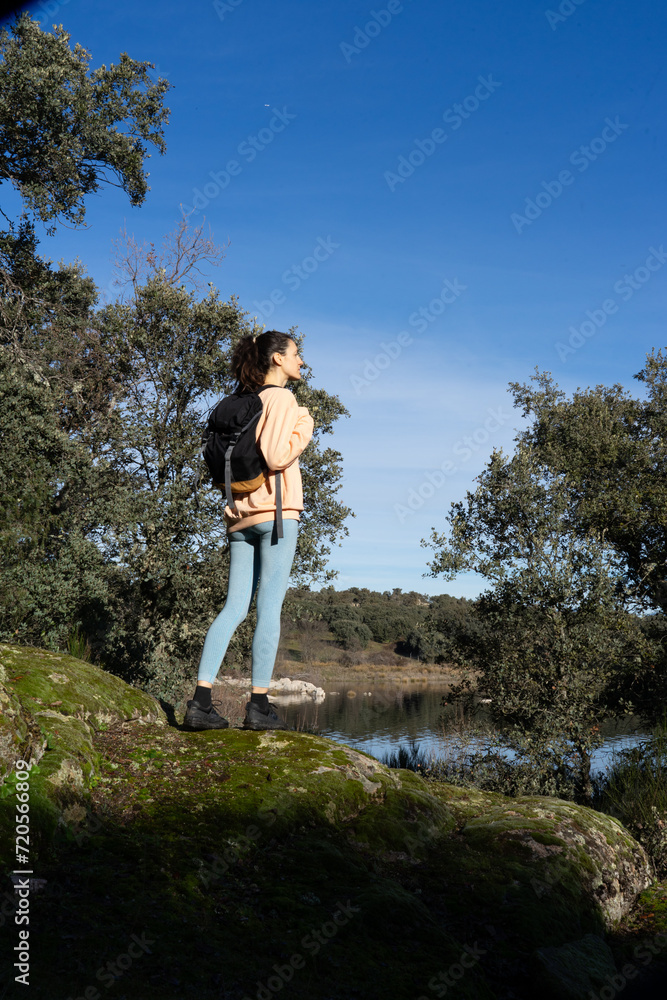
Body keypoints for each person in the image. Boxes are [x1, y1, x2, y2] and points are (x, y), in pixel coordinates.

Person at [183, 330, 314, 732]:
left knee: (233, 608)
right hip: (275, 515)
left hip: (238, 516)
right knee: (268, 608)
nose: (301, 362)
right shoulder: (283, 399)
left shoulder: (243, 401)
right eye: (296, 354)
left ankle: (200, 702)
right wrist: (305, 426)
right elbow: (276, 456)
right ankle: (259, 705)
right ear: (277, 358)